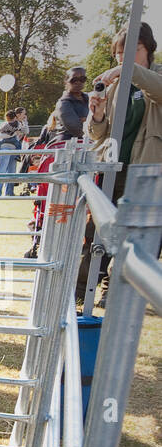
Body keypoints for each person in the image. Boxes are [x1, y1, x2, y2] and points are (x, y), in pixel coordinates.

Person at [82, 21, 162, 304]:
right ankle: (80, 291)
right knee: (95, 231)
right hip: (110, 166)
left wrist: (131, 72)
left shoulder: (156, 76)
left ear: (149, 49)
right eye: (119, 53)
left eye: (133, 50)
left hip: (144, 170)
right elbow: (98, 133)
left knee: (133, 236)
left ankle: (113, 292)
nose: (124, 58)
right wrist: (98, 115)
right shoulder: (114, 87)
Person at [55, 67, 91, 142]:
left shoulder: (90, 98)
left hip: (87, 141)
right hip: (67, 143)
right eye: (73, 80)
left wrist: (85, 120)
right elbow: (77, 129)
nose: (78, 82)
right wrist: (91, 120)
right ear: (66, 81)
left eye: (82, 79)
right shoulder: (63, 103)